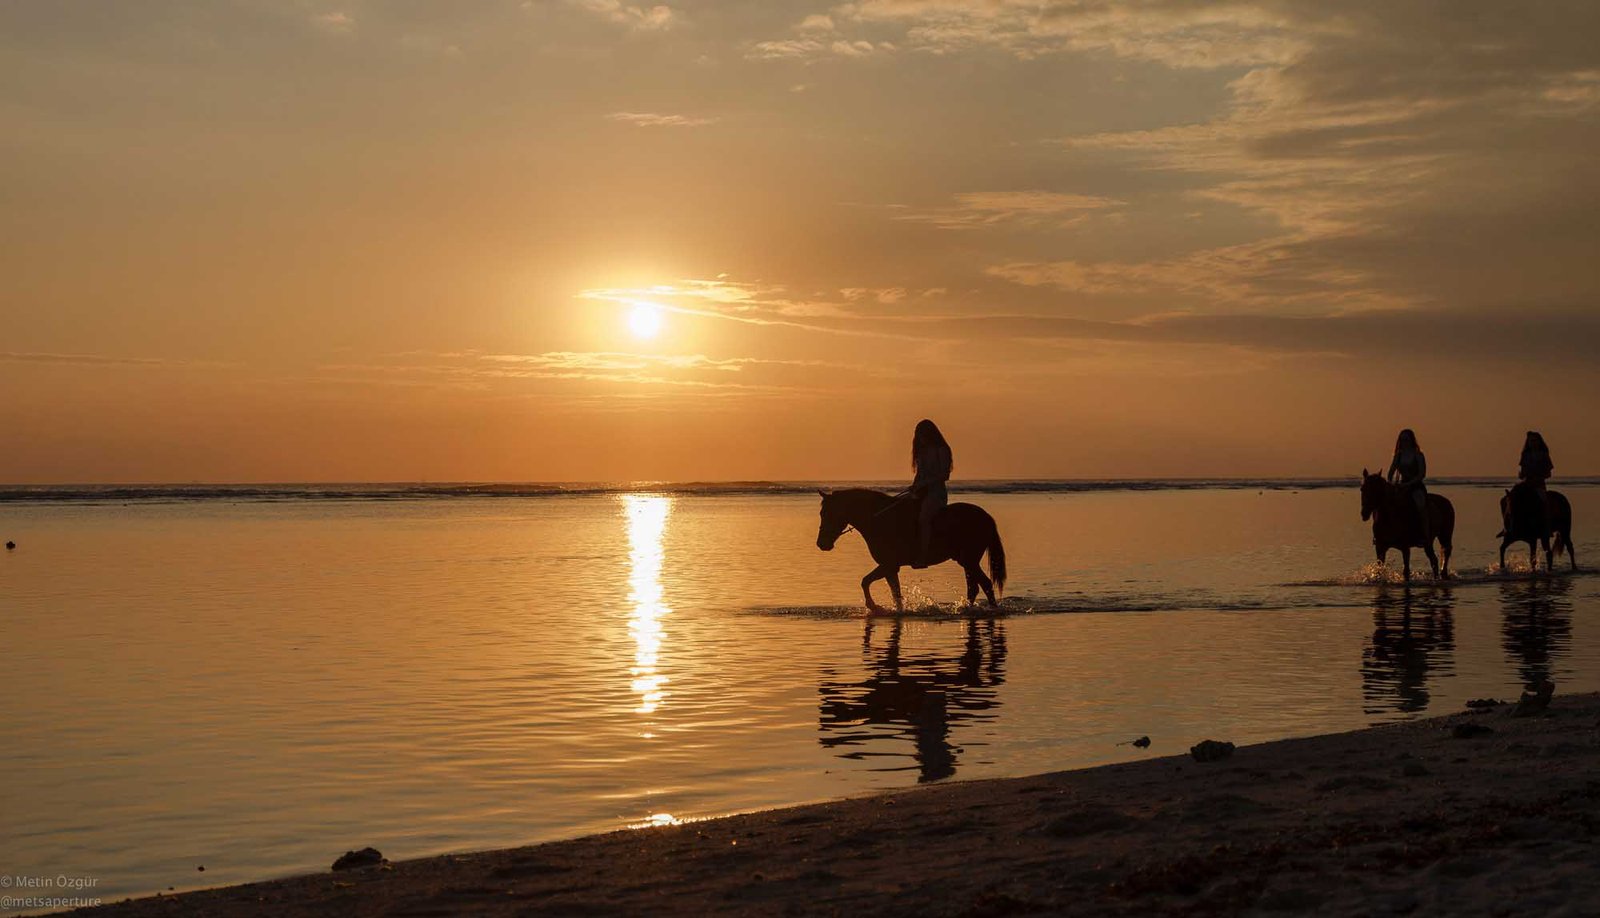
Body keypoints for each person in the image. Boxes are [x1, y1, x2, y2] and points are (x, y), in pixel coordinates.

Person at [910, 419, 952, 567]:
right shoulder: (921, 451)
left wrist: (924, 483)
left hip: (936, 493)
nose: (920, 438)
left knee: (924, 518)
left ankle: (924, 554)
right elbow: (920, 474)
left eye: (922, 435)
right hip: (921, 491)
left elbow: (944, 475)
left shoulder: (942, 449)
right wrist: (914, 486)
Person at [1386, 428, 1431, 543]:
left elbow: (1422, 474)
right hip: (1401, 485)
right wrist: (1391, 483)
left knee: (1420, 505)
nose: (1404, 442)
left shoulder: (1418, 455)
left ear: (1411, 440)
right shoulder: (1398, 456)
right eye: (1402, 439)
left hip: (1415, 485)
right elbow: (1390, 472)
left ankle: (1425, 534)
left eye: (1406, 439)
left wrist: (1409, 483)